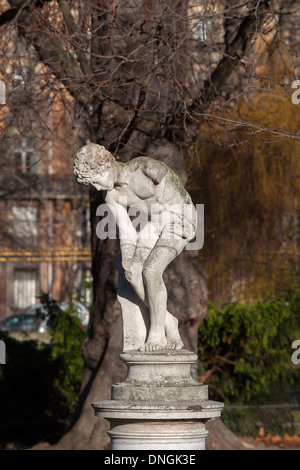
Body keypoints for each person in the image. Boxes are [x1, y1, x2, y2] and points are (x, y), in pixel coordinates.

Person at [74, 143, 197, 351]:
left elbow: (174, 186)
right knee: (132, 273)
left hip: (180, 221)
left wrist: (159, 177)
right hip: (156, 226)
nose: (96, 188)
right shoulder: (110, 196)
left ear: (105, 165)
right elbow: (127, 232)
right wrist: (128, 258)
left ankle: (157, 334)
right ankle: (168, 322)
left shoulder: (143, 169)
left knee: (151, 271)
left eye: (95, 181)